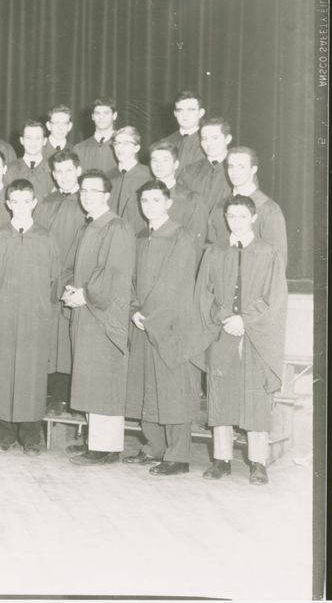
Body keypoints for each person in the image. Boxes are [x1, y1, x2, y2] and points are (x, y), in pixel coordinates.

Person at [197, 195, 287, 485]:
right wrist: (225, 316)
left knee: (256, 396)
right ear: (225, 218)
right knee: (221, 394)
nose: (235, 222)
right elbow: (204, 293)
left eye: (242, 216)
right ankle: (221, 459)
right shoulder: (214, 251)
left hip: (255, 334)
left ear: (253, 218)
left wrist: (245, 320)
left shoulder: (267, 252)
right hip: (222, 330)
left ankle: (258, 462)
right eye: (230, 216)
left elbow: (273, 297)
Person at [123, 181, 201, 476]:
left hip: (169, 325)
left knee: (173, 389)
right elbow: (128, 279)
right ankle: (154, 447)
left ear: (168, 202)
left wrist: (149, 316)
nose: (150, 205)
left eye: (156, 200)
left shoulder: (180, 235)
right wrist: (133, 310)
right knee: (147, 387)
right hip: (142, 321)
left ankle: (178, 456)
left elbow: (174, 283)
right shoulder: (140, 235)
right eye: (145, 200)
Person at [0, 179, 60, 455]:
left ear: (34, 203)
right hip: (3, 315)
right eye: (15, 201)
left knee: (32, 377)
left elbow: (54, 281)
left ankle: (31, 437)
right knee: (2, 376)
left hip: (34, 317)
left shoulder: (46, 238)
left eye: (26, 201)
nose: (21, 206)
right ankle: (5, 435)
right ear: (8, 204)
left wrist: (44, 314)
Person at [60, 170, 136, 466]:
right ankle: (95, 441)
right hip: (87, 312)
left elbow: (113, 272)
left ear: (107, 195)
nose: (87, 196)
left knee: (105, 380)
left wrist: (86, 295)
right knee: (91, 379)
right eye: (83, 191)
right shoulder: (87, 227)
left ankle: (107, 448)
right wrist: (70, 288)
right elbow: (73, 267)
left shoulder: (116, 227)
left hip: (104, 315)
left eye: (93, 191)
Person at [35, 149, 86, 416]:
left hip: (72, 279)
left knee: (68, 342)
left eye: (68, 170)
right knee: (48, 338)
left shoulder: (86, 202)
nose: (63, 176)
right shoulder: (46, 202)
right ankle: (49, 393)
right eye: (58, 172)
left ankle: (67, 396)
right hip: (46, 280)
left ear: (78, 171)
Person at [205, 146, 288, 268]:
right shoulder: (219, 208)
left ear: (253, 169)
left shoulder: (268, 209)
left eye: (241, 167)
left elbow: (278, 261)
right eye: (231, 166)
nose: (235, 172)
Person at [148, 140, 208, 247]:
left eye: (165, 160)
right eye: (154, 160)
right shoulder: (140, 199)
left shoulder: (191, 201)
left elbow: (195, 244)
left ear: (176, 164)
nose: (159, 165)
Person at [178, 117, 233, 214]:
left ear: (227, 139)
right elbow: (181, 208)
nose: (209, 143)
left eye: (215, 138)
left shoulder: (240, 170)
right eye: (204, 139)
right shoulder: (189, 171)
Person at [107, 126, 153, 234]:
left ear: (136, 148)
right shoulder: (107, 177)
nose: (120, 148)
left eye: (126, 144)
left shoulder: (148, 176)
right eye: (117, 143)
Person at [5, 120, 54, 201]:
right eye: (28, 138)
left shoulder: (53, 170)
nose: (33, 143)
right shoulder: (9, 170)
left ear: (45, 141)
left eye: (37, 138)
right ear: (22, 140)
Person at [161, 90, 207, 171]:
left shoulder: (208, 142)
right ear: (175, 113)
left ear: (201, 113)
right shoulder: (165, 142)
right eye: (180, 110)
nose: (185, 115)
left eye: (191, 110)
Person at [73, 97, 118, 174]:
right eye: (97, 113)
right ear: (92, 116)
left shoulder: (123, 144)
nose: (101, 117)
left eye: (106, 113)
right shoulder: (79, 149)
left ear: (114, 116)